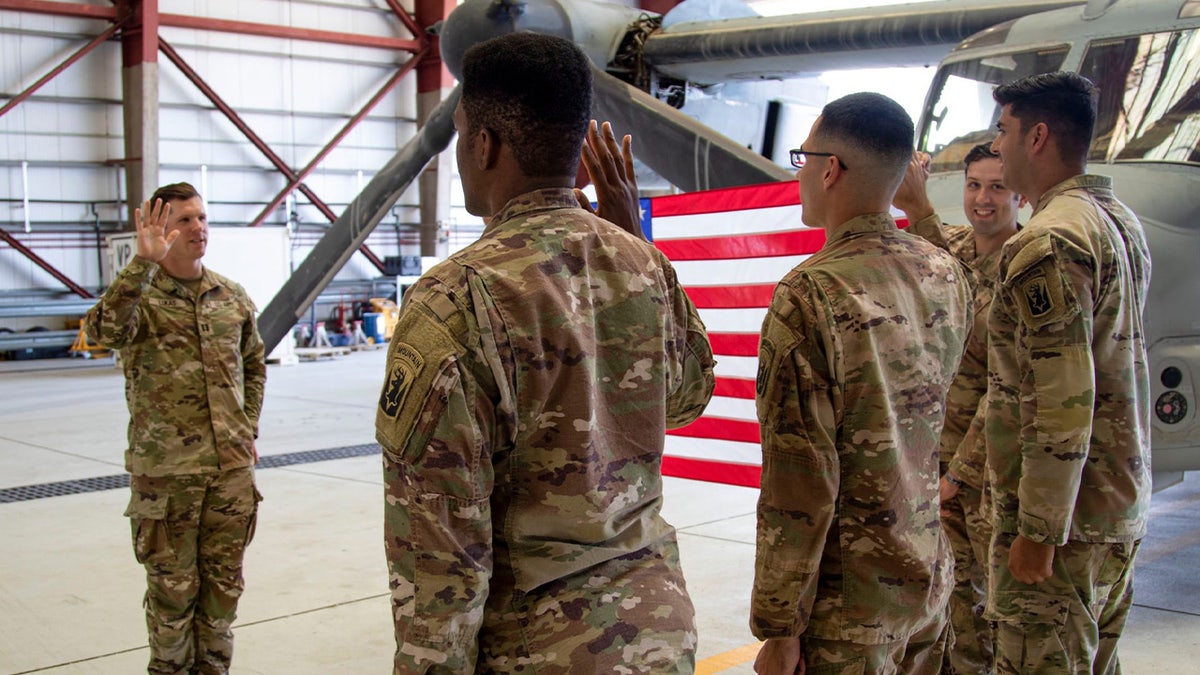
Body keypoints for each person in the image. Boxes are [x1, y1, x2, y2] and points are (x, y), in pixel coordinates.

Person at [375, 32, 716, 673]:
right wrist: (634, 249)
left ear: (484, 145)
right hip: (656, 628)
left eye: (460, 134)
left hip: (537, 646)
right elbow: (687, 400)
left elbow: (440, 547)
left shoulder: (455, 297)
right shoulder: (644, 263)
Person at [751, 93, 973, 675]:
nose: (798, 173)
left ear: (830, 168)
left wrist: (781, 627)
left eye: (803, 157)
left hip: (848, 609)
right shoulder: (942, 271)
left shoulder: (810, 294)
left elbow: (799, 484)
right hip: (927, 577)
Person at [984, 71, 1151, 674]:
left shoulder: (1049, 241)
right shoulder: (1117, 221)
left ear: (1038, 137)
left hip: (1068, 527)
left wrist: (1039, 529)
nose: (996, 145)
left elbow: (1062, 396)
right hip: (1113, 508)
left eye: (1003, 131)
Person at [85, 182, 266, 674]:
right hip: (166, 479)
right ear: (160, 230)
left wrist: (246, 426)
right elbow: (101, 332)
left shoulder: (231, 297)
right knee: (171, 604)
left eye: (202, 218)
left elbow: (254, 364)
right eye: (184, 220)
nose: (198, 228)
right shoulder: (140, 300)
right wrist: (141, 265)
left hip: (230, 476)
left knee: (221, 601)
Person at [892, 143, 1025, 674]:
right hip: (936, 466)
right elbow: (929, 258)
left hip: (990, 474)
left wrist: (960, 475)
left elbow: (1007, 387)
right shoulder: (957, 250)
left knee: (988, 611)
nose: (983, 199)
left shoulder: (1026, 264)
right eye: (974, 186)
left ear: (1020, 194)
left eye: (997, 187)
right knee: (937, 602)